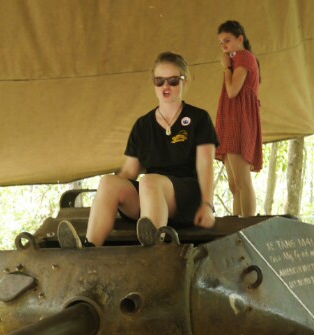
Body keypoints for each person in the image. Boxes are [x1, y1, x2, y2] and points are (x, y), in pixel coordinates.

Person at [57, 51, 218, 248]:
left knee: (150, 180)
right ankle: (89, 249)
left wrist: (207, 205)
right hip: (151, 197)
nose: (166, 86)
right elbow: (129, 172)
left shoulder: (199, 118)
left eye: (173, 81)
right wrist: (108, 195)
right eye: (159, 81)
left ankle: (153, 248)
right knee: (109, 182)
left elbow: (205, 165)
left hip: (188, 199)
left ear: (185, 81)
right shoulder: (143, 125)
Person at [215, 20, 262, 217]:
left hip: (240, 121)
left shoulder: (244, 57)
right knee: (234, 185)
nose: (224, 46)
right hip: (230, 121)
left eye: (227, 40)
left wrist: (227, 68)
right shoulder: (236, 59)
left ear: (240, 39)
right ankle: (236, 225)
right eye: (221, 43)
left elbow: (233, 91)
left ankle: (247, 224)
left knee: (242, 182)